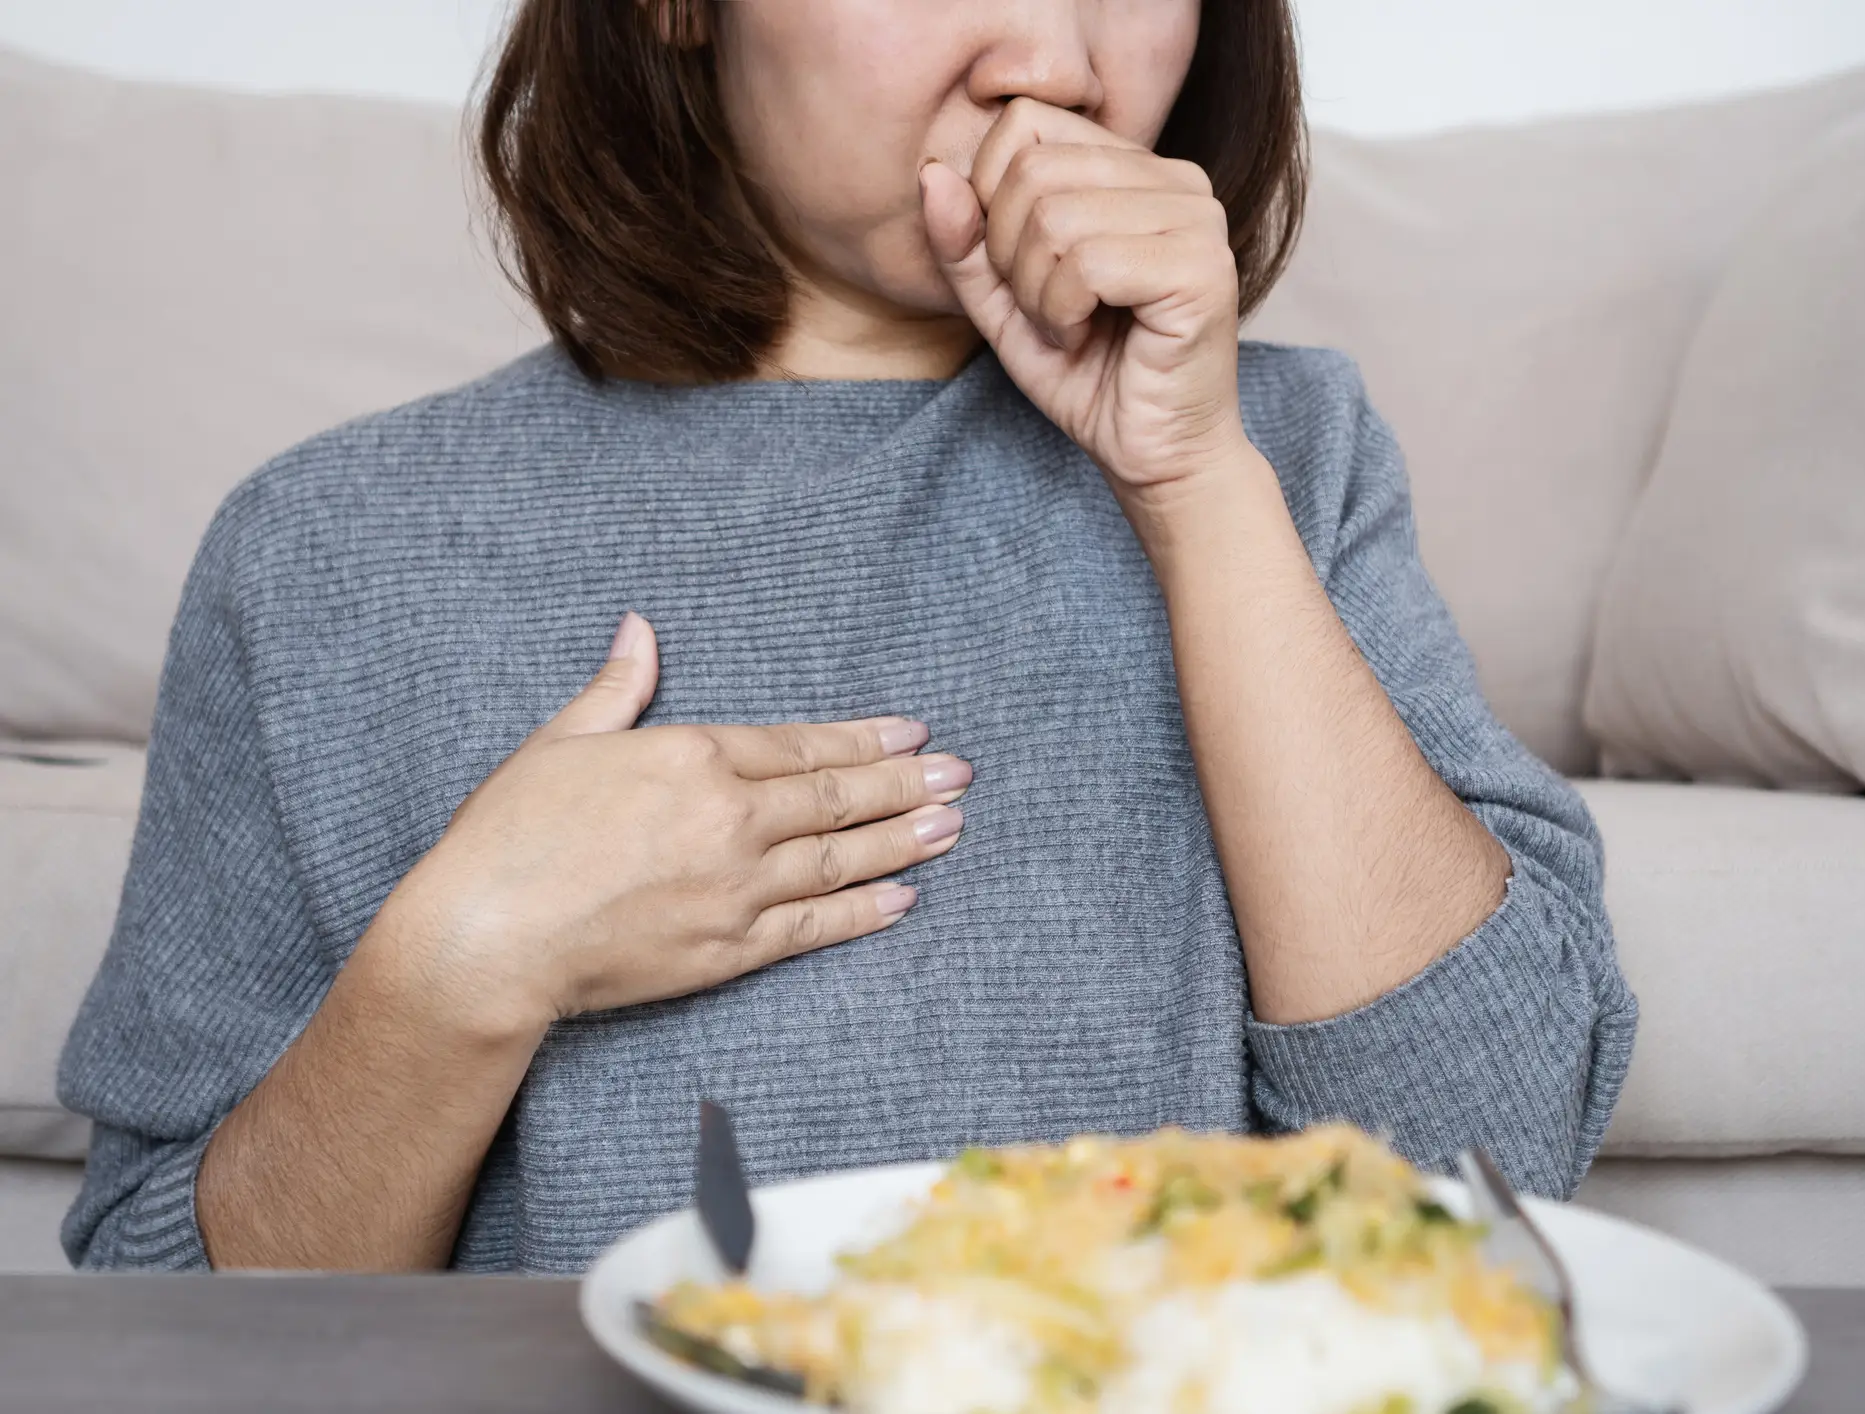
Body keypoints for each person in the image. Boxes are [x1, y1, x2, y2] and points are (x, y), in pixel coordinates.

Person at [58, 0, 1637, 1273]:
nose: (1060, 63)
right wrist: (467, 960)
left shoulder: (1285, 454)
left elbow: (1485, 1179)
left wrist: (1197, 488)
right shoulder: (327, 549)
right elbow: (168, 1314)